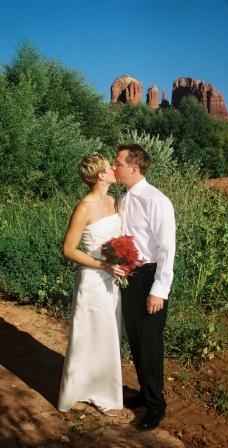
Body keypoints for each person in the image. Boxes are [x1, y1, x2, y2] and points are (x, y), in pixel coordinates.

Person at [113, 144, 176, 430]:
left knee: (150, 344)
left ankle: (156, 405)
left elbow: (167, 248)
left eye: (118, 163)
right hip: (129, 276)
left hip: (150, 278)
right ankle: (144, 392)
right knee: (136, 340)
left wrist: (159, 290)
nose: (115, 168)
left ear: (134, 168)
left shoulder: (156, 200)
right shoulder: (123, 198)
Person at [58, 153, 126, 416]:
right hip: (93, 278)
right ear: (100, 175)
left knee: (109, 333)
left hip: (115, 278)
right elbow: (68, 250)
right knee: (90, 333)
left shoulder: (113, 201)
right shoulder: (85, 206)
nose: (113, 170)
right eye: (110, 167)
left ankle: (103, 391)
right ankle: (82, 390)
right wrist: (103, 265)